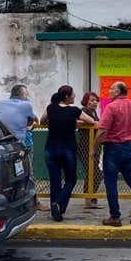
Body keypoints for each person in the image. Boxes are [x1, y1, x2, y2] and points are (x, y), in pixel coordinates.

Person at [92, 81, 131, 226]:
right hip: (128, 147)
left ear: (118, 92)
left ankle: (115, 216)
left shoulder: (111, 107)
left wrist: (94, 149)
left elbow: (102, 131)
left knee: (111, 183)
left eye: (112, 89)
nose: (109, 91)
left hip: (113, 148)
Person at [43, 85, 96, 222]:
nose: (74, 96)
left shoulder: (51, 107)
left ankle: (57, 211)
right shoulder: (74, 111)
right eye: (73, 95)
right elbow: (90, 121)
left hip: (51, 148)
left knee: (55, 180)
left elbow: (42, 120)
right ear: (67, 97)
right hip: (68, 149)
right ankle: (59, 204)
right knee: (71, 179)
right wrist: (75, 122)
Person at [0, 84, 47, 211]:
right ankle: (34, 202)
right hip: (21, 145)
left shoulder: (2, 103)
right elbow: (34, 119)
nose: (27, 97)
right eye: (26, 95)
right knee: (28, 173)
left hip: (5, 145)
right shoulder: (26, 105)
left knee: (10, 176)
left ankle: (15, 201)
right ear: (22, 95)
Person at [79, 91, 103, 210]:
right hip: (86, 147)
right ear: (86, 102)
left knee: (94, 173)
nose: (95, 102)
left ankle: (91, 198)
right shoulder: (85, 111)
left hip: (95, 146)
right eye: (91, 100)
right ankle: (88, 199)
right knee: (95, 173)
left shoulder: (93, 112)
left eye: (96, 100)